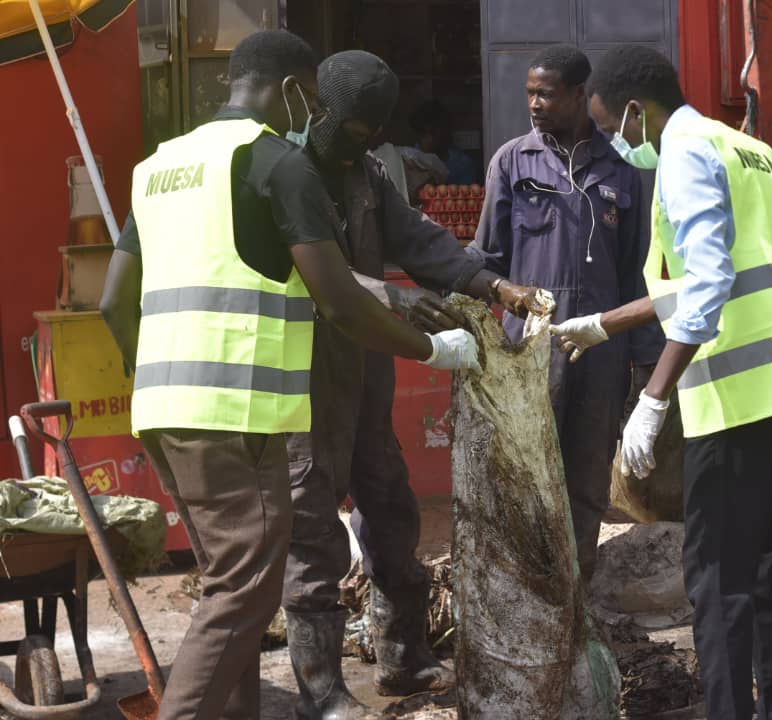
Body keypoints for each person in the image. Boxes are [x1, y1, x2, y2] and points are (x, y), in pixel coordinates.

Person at [99, 31, 481, 720]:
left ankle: (336, 678)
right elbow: (337, 298)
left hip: (166, 407)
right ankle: (282, 699)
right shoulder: (279, 162)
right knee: (248, 586)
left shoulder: (161, 164)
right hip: (246, 408)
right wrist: (431, 351)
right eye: (326, 111)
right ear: (298, 93)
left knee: (235, 582)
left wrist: (152, 377)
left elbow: (112, 301)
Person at [551, 45, 772, 720]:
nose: (615, 143)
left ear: (635, 111)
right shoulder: (745, 148)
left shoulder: (682, 156)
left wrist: (652, 399)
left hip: (737, 395)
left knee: (715, 576)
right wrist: (607, 324)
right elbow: (718, 273)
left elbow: (708, 283)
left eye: (611, 128)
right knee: (766, 563)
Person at [281, 49, 545, 718]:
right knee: (311, 531)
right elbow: (305, 270)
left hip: (363, 368)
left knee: (391, 507)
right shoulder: (280, 170)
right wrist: (391, 298)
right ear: (318, 110)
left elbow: (419, 240)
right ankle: (322, 692)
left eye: (372, 133)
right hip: (301, 373)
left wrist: (494, 286)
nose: (360, 144)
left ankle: (402, 656)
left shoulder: (366, 173)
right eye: (351, 131)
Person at [468, 44, 663, 580]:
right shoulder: (512, 162)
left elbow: (637, 274)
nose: (534, 104)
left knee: (587, 476)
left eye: (546, 94)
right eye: (530, 93)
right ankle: (528, 589)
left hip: (601, 350)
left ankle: (577, 593)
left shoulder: (622, 170)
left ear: (579, 95)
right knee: (526, 472)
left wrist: (644, 364)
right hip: (529, 351)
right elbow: (487, 260)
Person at [410, 98, 479, 185]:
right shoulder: (411, 159)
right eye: (422, 133)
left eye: (432, 132)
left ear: (444, 131)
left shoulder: (461, 165)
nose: (428, 139)